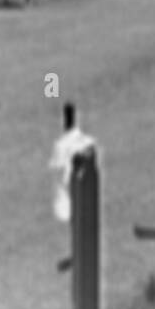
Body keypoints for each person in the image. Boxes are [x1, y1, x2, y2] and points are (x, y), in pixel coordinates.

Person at [48, 102, 95, 271]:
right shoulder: (87, 142)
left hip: (71, 187)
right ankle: (80, 252)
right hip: (84, 185)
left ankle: (79, 254)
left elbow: (57, 167)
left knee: (75, 221)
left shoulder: (61, 145)